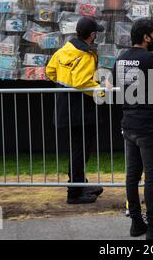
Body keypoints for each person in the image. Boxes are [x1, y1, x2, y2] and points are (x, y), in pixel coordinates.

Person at [108, 19, 153, 240]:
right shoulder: (151, 59)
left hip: (128, 123)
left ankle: (136, 223)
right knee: (151, 179)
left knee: (132, 176)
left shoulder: (121, 58)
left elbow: (110, 86)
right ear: (145, 37)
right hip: (149, 125)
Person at [46, 16, 105, 204]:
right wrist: (102, 92)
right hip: (81, 111)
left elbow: (50, 71)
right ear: (93, 35)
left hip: (65, 107)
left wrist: (67, 85)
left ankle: (79, 183)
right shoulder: (85, 54)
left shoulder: (65, 50)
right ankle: (75, 193)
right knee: (81, 150)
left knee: (77, 149)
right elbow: (81, 82)